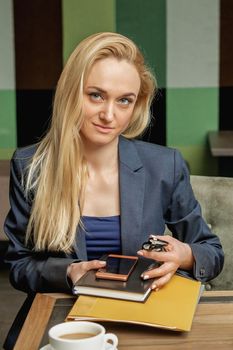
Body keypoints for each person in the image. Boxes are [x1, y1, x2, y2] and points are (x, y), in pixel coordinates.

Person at [4, 32, 224, 348]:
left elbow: (211, 252)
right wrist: (70, 272)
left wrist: (185, 255)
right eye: (96, 95)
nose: (110, 115)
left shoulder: (163, 165)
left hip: (142, 321)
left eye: (124, 100)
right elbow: (18, 265)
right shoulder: (29, 165)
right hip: (62, 323)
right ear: (71, 93)